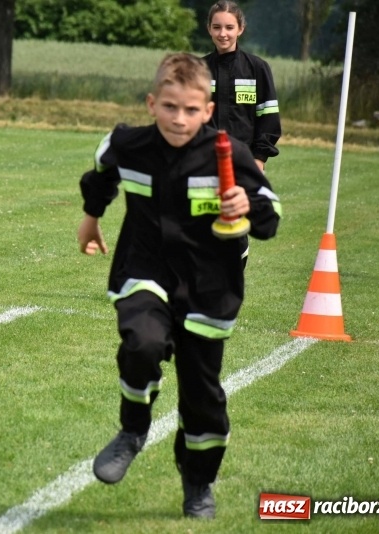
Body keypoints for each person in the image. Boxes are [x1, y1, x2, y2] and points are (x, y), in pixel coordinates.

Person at [77, 53, 281, 519]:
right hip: (144, 269)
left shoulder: (228, 154)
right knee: (141, 342)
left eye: (191, 109)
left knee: (202, 397)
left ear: (208, 110)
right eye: (169, 106)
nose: (179, 118)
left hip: (210, 287)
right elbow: (100, 173)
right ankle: (132, 430)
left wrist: (244, 205)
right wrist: (91, 219)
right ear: (152, 103)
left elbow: (271, 218)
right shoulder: (128, 144)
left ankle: (198, 484)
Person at [203, 1, 281, 173]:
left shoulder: (257, 68)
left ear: (240, 29)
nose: (223, 33)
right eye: (217, 27)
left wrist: (259, 158)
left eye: (229, 27)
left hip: (244, 161)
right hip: (203, 159)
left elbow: (269, 119)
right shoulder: (199, 69)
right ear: (209, 29)